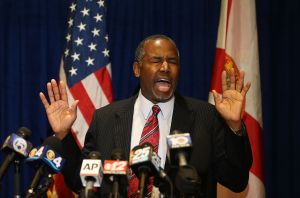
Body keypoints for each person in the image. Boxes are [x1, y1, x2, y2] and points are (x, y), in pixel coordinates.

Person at [39, 34, 252, 197]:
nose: (166, 67)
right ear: (137, 69)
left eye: (172, 61)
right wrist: (65, 136)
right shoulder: (105, 118)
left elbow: (236, 180)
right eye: (156, 60)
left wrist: (234, 127)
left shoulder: (205, 117)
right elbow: (83, 181)